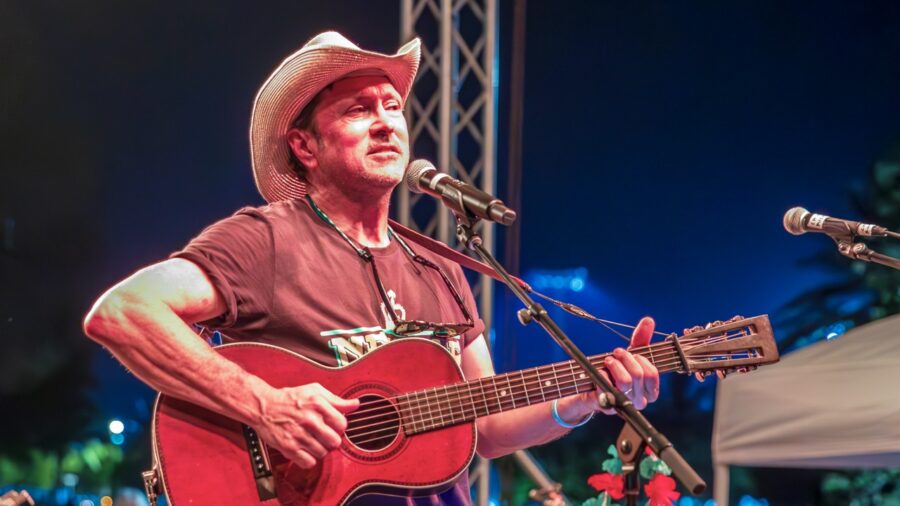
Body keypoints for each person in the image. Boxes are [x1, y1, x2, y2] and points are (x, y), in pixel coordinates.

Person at [83, 31, 660, 505]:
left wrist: (584, 397)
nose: (387, 123)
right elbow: (123, 312)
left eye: (392, 107)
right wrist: (265, 404)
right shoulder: (266, 240)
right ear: (305, 147)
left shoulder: (440, 268)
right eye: (360, 111)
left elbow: (486, 427)